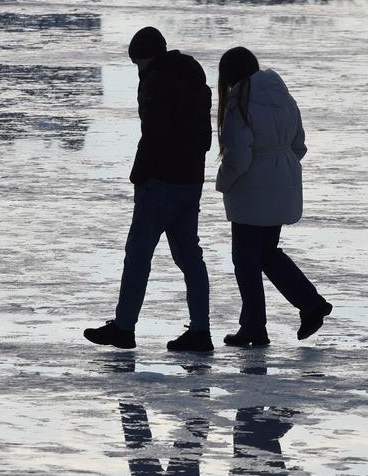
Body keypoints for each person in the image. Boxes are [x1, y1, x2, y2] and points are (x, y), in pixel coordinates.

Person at [85, 27, 213, 352]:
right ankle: (201, 330)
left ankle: (124, 328)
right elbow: (203, 132)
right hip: (191, 178)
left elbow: (155, 134)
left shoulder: (157, 80)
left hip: (161, 182)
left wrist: (139, 175)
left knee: (138, 255)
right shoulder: (192, 74)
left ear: (142, 57)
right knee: (190, 257)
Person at [214, 47, 331, 347]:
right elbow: (299, 145)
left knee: (246, 259)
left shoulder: (239, 101)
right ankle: (310, 303)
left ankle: (254, 326)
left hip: (252, 189)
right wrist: (279, 169)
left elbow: (238, 155)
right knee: (266, 252)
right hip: (282, 183)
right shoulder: (282, 96)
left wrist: (224, 182)